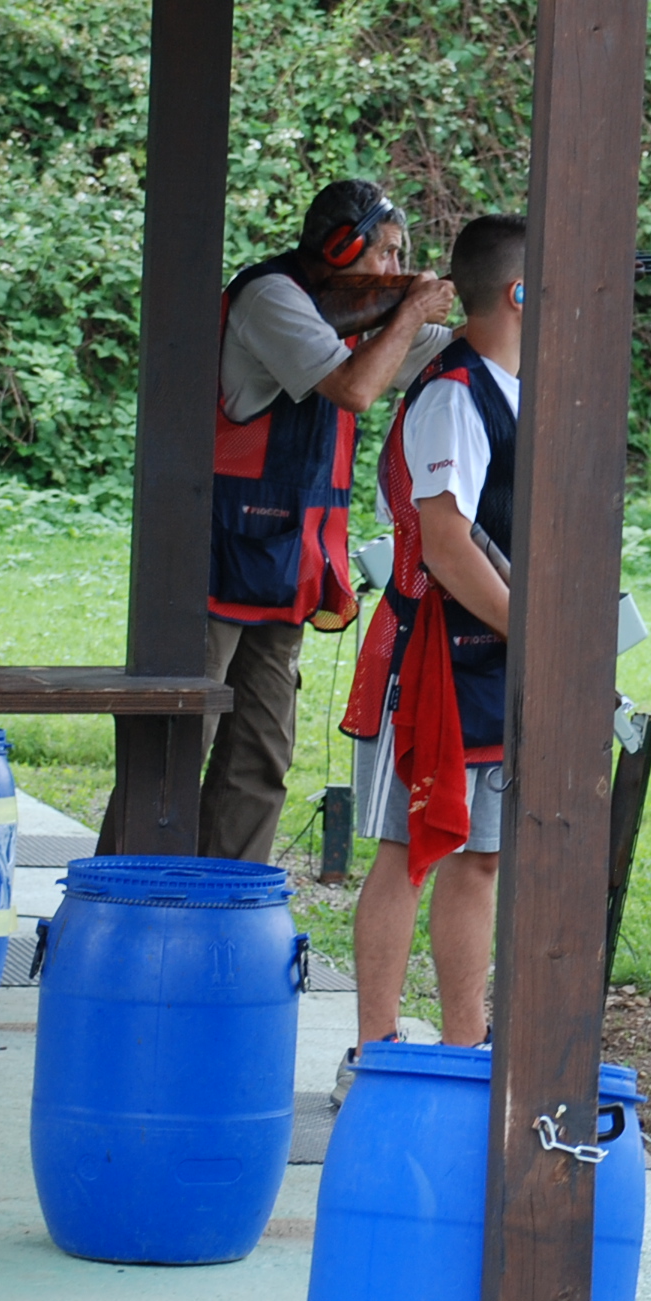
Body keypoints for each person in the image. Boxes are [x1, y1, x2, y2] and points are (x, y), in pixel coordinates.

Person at [186, 178, 454, 864]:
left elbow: (441, 349)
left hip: (285, 563)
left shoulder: (354, 317)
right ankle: (126, 900)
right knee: (178, 745)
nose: (397, 270)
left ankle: (228, 904)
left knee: (262, 755)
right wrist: (409, 310)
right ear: (340, 246)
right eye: (387, 253)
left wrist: (501, 301)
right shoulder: (272, 296)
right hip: (214, 557)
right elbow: (355, 388)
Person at [334, 213, 528, 1081]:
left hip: (490, 658)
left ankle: (462, 1050)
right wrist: (539, 636)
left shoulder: (513, 385)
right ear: (519, 293)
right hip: (433, 661)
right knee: (406, 855)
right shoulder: (453, 395)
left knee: (480, 858)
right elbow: (447, 547)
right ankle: (375, 1054)